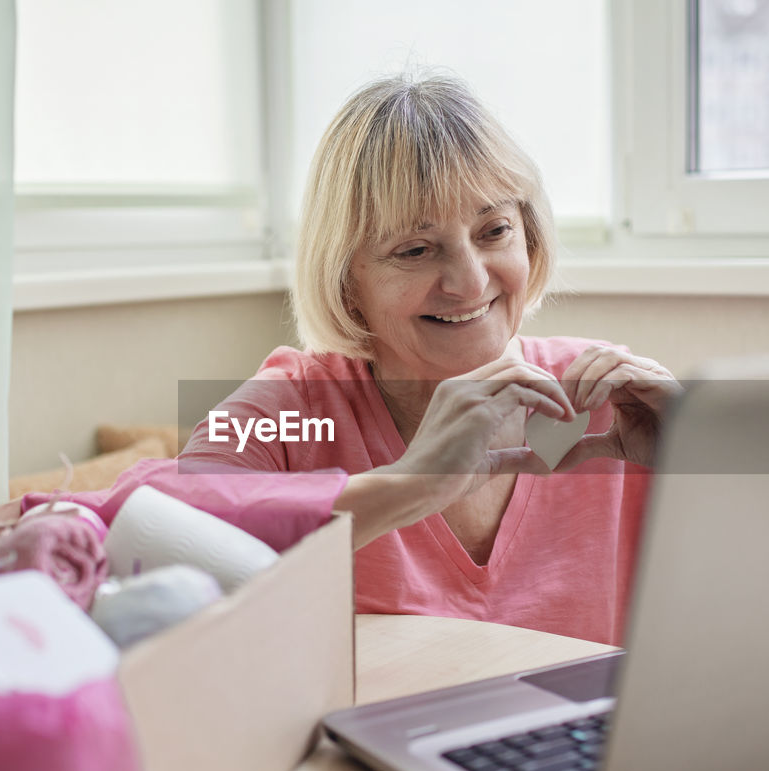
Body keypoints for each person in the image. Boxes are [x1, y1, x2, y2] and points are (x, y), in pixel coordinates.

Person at [180, 74, 679, 644]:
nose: (470, 282)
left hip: (571, 735)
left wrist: (707, 463)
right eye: (415, 250)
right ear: (347, 280)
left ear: (530, 238)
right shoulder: (294, 410)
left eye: (494, 231)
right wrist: (408, 485)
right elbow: (165, 532)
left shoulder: (606, 399)